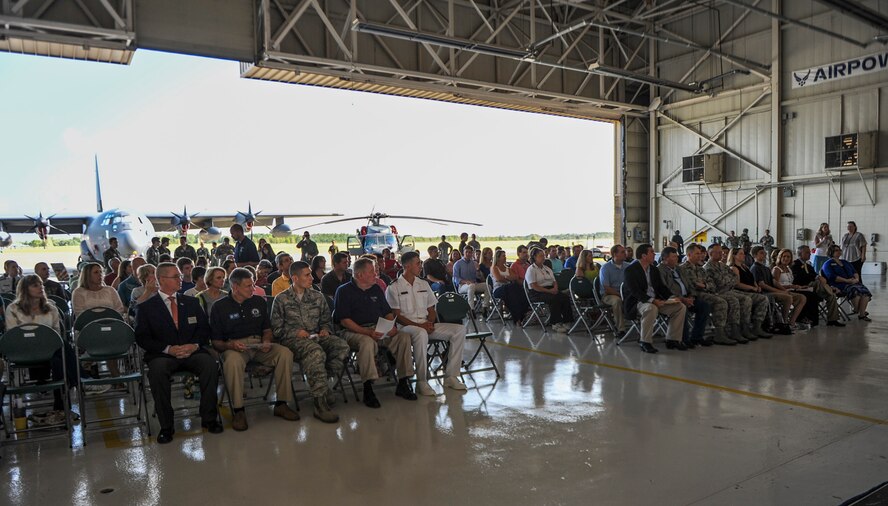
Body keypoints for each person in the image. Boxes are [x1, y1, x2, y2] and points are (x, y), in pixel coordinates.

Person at [134, 262, 224, 443]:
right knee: (157, 372)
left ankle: (209, 418)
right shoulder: (147, 308)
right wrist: (168, 349)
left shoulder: (190, 302)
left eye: (179, 276)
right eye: (175, 276)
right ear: (161, 280)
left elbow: (204, 330)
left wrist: (194, 346)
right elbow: (142, 338)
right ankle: (166, 426)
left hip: (192, 351)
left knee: (209, 365)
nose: (180, 279)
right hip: (163, 354)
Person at [209, 267, 298, 431]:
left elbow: (267, 329)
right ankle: (238, 410)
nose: (253, 288)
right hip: (234, 347)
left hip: (258, 344)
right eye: (248, 286)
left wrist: (266, 340)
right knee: (232, 361)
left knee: (285, 353)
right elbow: (216, 342)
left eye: (252, 285)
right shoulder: (219, 307)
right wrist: (231, 345)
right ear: (235, 287)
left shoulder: (258, 301)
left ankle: (281, 403)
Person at [333, 257, 417, 408]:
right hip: (353, 331)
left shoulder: (376, 289)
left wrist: (391, 326)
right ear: (359, 275)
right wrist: (366, 331)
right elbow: (344, 320)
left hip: (378, 328)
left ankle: (403, 382)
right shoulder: (344, 291)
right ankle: (368, 388)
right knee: (366, 342)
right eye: (372, 272)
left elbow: (387, 312)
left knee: (403, 337)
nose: (375, 274)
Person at [271, 261, 349, 423]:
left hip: (316, 337)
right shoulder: (281, 299)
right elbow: (277, 330)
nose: (311, 278)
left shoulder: (317, 296)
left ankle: (323, 384)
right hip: (292, 341)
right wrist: (295, 332)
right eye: (307, 275)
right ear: (295, 278)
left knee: (341, 347)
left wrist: (325, 330)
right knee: (315, 352)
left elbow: (327, 321)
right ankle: (320, 404)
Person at [386, 252, 467, 395]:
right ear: (407, 266)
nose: (420, 266)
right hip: (406, 327)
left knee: (459, 330)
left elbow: (431, 309)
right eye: (417, 263)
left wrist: (430, 322)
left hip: (425, 324)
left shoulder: (423, 283)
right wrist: (421, 326)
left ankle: (451, 376)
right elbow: (397, 316)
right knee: (421, 333)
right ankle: (422, 381)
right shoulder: (394, 287)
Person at [622, 244, 688, 353]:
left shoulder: (653, 269)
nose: (654, 254)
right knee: (651, 308)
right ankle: (645, 342)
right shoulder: (630, 270)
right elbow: (635, 292)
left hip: (656, 301)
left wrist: (672, 298)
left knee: (680, 307)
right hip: (638, 302)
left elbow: (661, 287)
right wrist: (652, 301)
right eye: (651, 252)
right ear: (644, 256)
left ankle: (672, 339)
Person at [703, 244, 766, 343]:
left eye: (722, 252)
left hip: (729, 290)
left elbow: (735, 278)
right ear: (711, 253)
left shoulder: (722, 266)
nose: (722, 254)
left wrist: (727, 280)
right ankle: (733, 331)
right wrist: (728, 280)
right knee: (735, 300)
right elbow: (720, 283)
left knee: (757, 298)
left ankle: (749, 327)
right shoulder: (708, 267)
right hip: (719, 292)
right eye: (719, 252)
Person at [678, 244, 736, 345]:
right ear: (689, 254)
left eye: (700, 253)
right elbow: (690, 286)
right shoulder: (682, 269)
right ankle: (719, 334)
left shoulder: (700, 269)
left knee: (707, 305)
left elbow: (712, 285)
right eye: (697, 254)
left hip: (704, 293)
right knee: (720, 302)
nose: (700, 256)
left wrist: (704, 285)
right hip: (691, 295)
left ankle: (698, 337)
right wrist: (701, 286)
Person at [657, 246, 711, 347]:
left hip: (687, 297)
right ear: (665, 258)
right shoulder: (660, 270)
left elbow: (689, 284)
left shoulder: (679, 268)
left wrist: (691, 296)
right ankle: (684, 339)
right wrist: (682, 299)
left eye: (676, 256)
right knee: (683, 308)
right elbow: (665, 289)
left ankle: (697, 337)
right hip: (674, 299)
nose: (677, 258)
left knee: (704, 306)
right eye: (673, 257)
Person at [750, 246, 804, 333]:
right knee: (787, 298)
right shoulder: (755, 268)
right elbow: (762, 284)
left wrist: (784, 289)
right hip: (764, 293)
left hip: (772, 291)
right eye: (761, 253)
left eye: (764, 252)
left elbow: (774, 281)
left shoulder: (766, 268)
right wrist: (780, 291)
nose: (764, 254)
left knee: (801, 297)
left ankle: (791, 322)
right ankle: (783, 322)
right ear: (755, 255)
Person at [724, 248, 775, 338]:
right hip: (741, 291)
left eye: (743, 254)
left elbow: (752, 280)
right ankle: (745, 327)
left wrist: (756, 286)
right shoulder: (734, 268)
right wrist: (752, 288)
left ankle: (758, 326)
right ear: (734, 256)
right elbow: (737, 284)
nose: (743, 256)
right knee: (753, 299)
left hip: (752, 290)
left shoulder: (745, 267)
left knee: (764, 298)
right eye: (740, 254)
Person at [791, 245, 844, 327]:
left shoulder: (809, 265)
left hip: (815, 288)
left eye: (809, 252)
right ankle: (831, 289)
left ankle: (832, 320)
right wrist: (817, 277)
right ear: (800, 253)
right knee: (818, 282)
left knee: (831, 296)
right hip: (803, 286)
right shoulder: (795, 264)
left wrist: (817, 277)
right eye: (807, 252)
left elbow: (814, 274)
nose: (810, 254)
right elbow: (799, 278)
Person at [525, 247, 574, 332]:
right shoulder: (531, 269)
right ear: (534, 257)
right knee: (554, 299)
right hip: (537, 292)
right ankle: (556, 323)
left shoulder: (547, 268)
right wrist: (549, 291)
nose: (543, 257)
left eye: (544, 255)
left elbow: (554, 281)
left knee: (565, 297)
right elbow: (534, 286)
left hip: (550, 289)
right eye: (541, 256)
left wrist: (555, 288)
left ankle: (567, 321)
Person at [822, 244, 871, 321]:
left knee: (865, 292)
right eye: (836, 250)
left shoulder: (845, 262)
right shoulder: (828, 264)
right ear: (831, 252)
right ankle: (859, 310)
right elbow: (832, 276)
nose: (839, 252)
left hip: (853, 282)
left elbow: (855, 272)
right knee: (855, 292)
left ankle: (861, 314)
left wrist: (856, 279)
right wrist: (847, 281)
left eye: (839, 250)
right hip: (840, 285)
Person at [772, 249, 820, 327]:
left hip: (792, 289)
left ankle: (793, 321)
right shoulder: (776, 269)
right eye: (784, 256)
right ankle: (790, 320)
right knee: (808, 296)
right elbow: (775, 284)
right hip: (782, 290)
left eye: (788, 257)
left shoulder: (788, 269)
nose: (786, 258)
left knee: (811, 294)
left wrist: (800, 287)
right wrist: (791, 286)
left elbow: (791, 282)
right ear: (780, 257)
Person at [598, 244, 630, 336]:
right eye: (622, 252)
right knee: (617, 301)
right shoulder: (606, 268)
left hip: (624, 293)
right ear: (615, 254)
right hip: (609, 295)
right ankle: (621, 328)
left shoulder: (628, 267)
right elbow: (607, 288)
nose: (625, 253)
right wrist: (621, 295)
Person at [491, 249, 530, 324]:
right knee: (512, 287)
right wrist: (507, 278)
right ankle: (518, 317)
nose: (505, 257)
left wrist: (505, 278)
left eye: (505, 256)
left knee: (517, 292)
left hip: (509, 289)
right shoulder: (494, 268)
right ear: (498, 258)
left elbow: (515, 277)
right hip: (498, 289)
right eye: (503, 256)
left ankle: (520, 315)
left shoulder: (507, 268)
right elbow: (498, 279)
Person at [453, 245, 492, 312]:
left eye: (470, 252)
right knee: (471, 286)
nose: (468, 254)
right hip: (462, 286)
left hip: (474, 284)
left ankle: (485, 307)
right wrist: (465, 282)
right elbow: (456, 278)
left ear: (472, 253)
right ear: (463, 253)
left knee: (487, 286)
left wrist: (478, 270)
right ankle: (471, 309)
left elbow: (480, 278)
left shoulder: (474, 263)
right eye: (466, 252)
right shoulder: (458, 264)